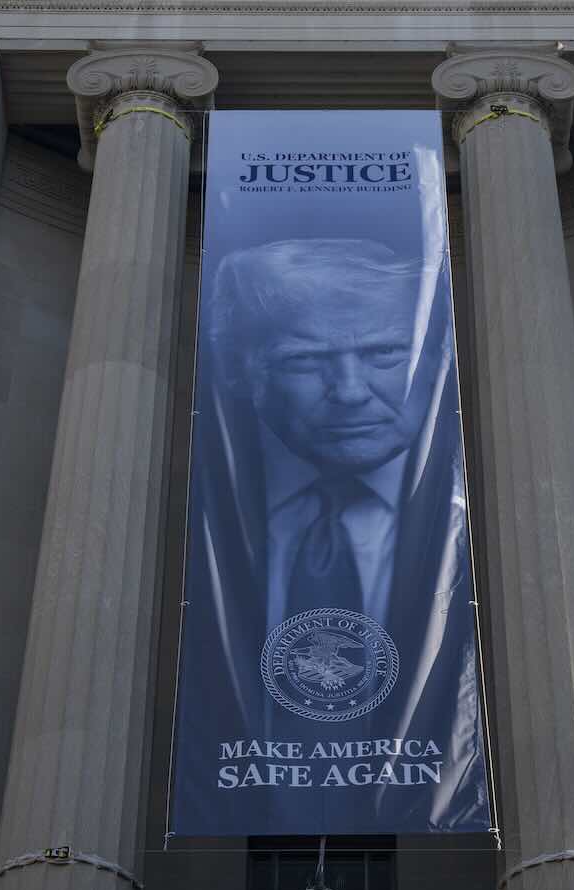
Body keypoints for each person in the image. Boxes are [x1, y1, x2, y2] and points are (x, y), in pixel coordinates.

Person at [174, 238, 487, 835]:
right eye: (303, 361)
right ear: (244, 372)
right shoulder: (210, 509)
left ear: (436, 359)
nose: (348, 391)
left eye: (385, 353)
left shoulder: (471, 508)